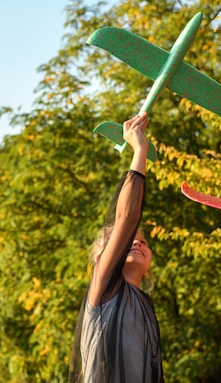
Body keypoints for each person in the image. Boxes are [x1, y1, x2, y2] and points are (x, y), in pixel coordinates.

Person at [69, 113, 163, 383]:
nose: (136, 241)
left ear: (148, 270)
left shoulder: (145, 304)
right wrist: (140, 150)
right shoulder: (105, 286)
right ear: (101, 257)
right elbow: (126, 218)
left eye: (143, 241)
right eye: (127, 239)